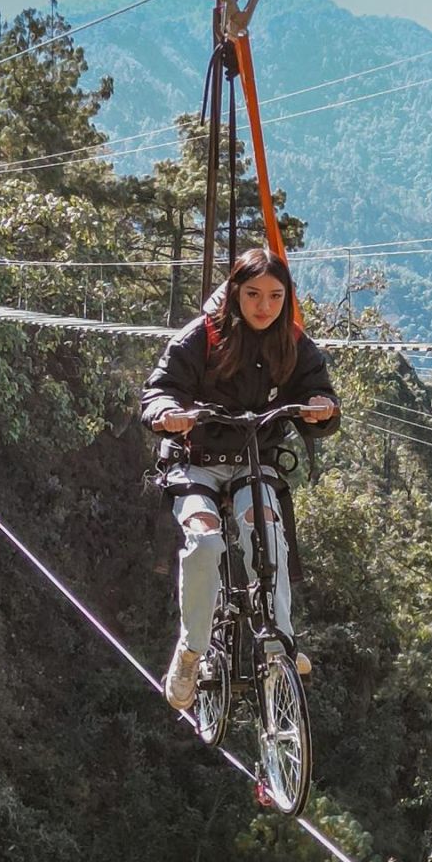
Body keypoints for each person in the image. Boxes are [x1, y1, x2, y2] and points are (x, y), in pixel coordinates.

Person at [142, 247, 340, 710]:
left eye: (275, 296)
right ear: (235, 293)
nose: (264, 306)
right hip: (194, 461)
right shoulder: (201, 337)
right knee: (205, 542)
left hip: (254, 461)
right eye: (253, 294)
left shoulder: (292, 343)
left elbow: (320, 394)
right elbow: (159, 390)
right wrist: (168, 413)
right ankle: (190, 652)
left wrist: (321, 409)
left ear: (286, 299)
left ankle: (280, 641)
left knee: (266, 531)